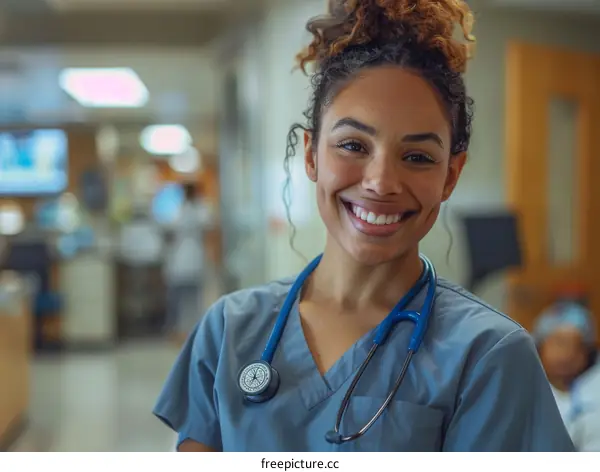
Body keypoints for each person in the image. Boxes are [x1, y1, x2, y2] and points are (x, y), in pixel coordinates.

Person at [153, 0, 574, 452]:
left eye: (417, 157)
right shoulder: (230, 331)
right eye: (353, 145)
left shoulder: (489, 354)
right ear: (312, 155)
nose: (380, 183)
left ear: (450, 175)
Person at [534, 300, 600, 451]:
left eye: (577, 345)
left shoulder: (596, 388)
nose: (567, 355)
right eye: (559, 343)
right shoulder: (521, 389)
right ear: (539, 346)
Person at [163, 182, 214, 335]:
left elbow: (171, 231)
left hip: (183, 258)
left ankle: (180, 330)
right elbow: (208, 227)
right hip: (193, 257)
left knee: (180, 299)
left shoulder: (181, 211)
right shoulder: (200, 210)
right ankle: (192, 330)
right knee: (194, 299)